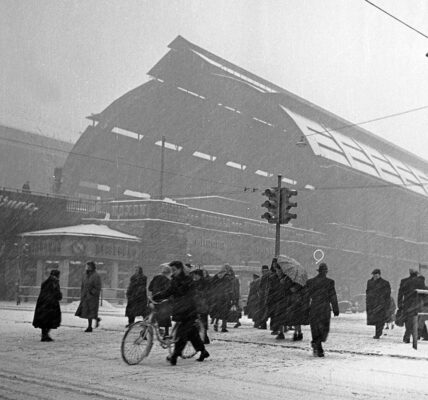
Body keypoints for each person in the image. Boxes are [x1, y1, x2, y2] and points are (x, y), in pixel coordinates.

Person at [153, 260, 209, 366]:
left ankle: (175, 355)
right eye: (171, 270)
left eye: (174, 270)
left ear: (180, 269)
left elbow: (184, 293)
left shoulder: (188, 279)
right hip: (180, 309)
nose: (173, 272)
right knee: (192, 334)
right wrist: (158, 296)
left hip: (189, 310)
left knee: (181, 334)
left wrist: (175, 294)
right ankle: (203, 351)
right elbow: (169, 291)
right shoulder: (174, 279)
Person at [306, 262, 339, 357]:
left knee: (315, 327)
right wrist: (335, 309)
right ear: (326, 272)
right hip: (324, 307)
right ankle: (318, 345)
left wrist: (305, 307)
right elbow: (333, 296)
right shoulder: (330, 282)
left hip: (315, 306)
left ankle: (316, 342)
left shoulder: (310, 282)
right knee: (324, 327)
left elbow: (306, 296)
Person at [397, 268, 426, 343]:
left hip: (407, 303)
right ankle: (410, 336)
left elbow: (400, 294)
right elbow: (423, 292)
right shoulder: (420, 281)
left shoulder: (404, 281)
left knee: (408, 320)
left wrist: (399, 304)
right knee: (415, 320)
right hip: (417, 303)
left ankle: (408, 336)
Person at [32, 269, 62, 342]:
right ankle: (45, 335)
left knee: (44, 319)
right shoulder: (54, 282)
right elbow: (57, 293)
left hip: (43, 303)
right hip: (51, 303)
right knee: (50, 319)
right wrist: (59, 296)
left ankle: (44, 334)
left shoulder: (46, 282)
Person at [75, 261, 102, 332]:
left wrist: (91, 293)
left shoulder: (96, 276)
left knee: (90, 311)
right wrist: (82, 293)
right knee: (88, 312)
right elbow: (83, 285)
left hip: (92, 297)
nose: (87, 267)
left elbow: (98, 287)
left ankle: (89, 327)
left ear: (92, 267)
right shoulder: (85, 275)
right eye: (87, 266)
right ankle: (96, 319)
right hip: (85, 296)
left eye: (89, 266)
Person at [365, 268, 391, 339]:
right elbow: (368, 292)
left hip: (381, 304)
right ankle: (378, 332)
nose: (374, 276)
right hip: (372, 304)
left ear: (379, 275)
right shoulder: (370, 282)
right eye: (374, 275)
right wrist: (368, 302)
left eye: (376, 275)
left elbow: (387, 295)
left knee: (380, 320)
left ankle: (378, 333)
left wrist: (386, 304)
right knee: (375, 320)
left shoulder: (385, 283)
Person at [149, 264, 173, 337]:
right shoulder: (168, 280)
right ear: (169, 273)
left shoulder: (156, 277)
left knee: (153, 315)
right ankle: (166, 333)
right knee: (165, 316)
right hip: (163, 300)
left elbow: (150, 288)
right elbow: (168, 291)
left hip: (154, 298)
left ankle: (146, 331)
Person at [210, 264, 235, 332]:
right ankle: (224, 326)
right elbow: (229, 288)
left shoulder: (216, 276)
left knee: (218, 311)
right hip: (225, 297)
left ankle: (216, 323)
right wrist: (232, 297)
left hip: (217, 296)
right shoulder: (227, 277)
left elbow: (212, 285)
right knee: (225, 312)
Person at [191, 268, 211, 344]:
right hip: (199, 304)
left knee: (202, 321)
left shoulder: (204, 282)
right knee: (199, 321)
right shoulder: (195, 282)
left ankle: (204, 337)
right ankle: (203, 337)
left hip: (202, 304)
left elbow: (207, 292)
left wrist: (197, 293)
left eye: (195, 275)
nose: (194, 277)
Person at [256, 265, 270, 329]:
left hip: (264, 296)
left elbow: (262, 287)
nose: (262, 272)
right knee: (263, 311)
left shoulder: (265, 277)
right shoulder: (267, 276)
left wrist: (261, 293)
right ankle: (263, 323)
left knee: (263, 311)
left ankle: (263, 324)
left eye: (263, 271)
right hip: (265, 296)